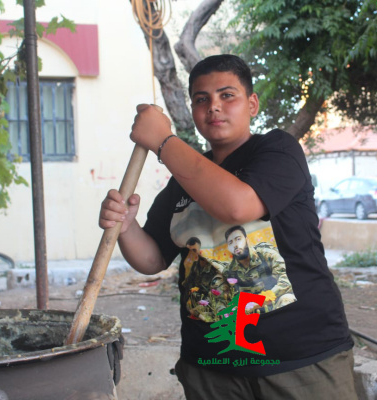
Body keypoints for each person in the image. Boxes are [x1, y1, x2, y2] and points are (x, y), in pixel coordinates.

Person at [99, 54, 356, 399]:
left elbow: (238, 206)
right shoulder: (183, 181)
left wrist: (163, 141)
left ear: (252, 104)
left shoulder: (278, 151)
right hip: (210, 367)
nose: (214, 107)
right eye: (201, 99)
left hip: (301, 360)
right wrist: (126, 227)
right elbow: (153, 259)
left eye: (227, 95)